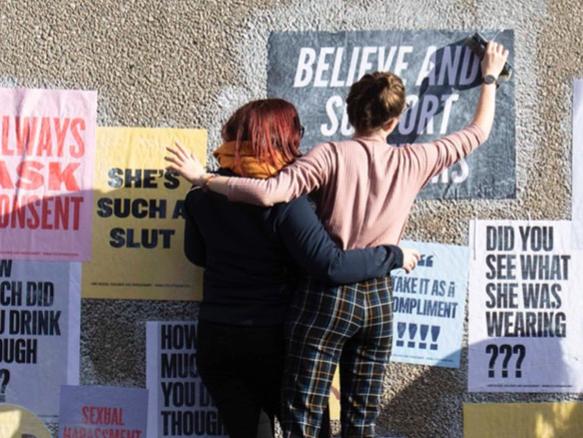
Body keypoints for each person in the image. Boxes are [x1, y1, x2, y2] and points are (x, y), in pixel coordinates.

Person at [167, 41, 509, 438]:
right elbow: (478, 131)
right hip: (378, 299)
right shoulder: (418, 159)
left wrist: (206, 180)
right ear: (395, 121)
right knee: (361, 420)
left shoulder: (328, 156)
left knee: (305, 418)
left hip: (327, 298)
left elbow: (266, 194)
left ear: (349, 112)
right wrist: (489, 76)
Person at [169, 98, 419, 438]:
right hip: (275, 342)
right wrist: (393, 256)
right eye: (297, 132)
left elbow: (196, 255)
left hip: (217, 339)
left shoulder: (201, 195)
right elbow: (329, 265)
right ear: (283, 139)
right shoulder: (288, 201)